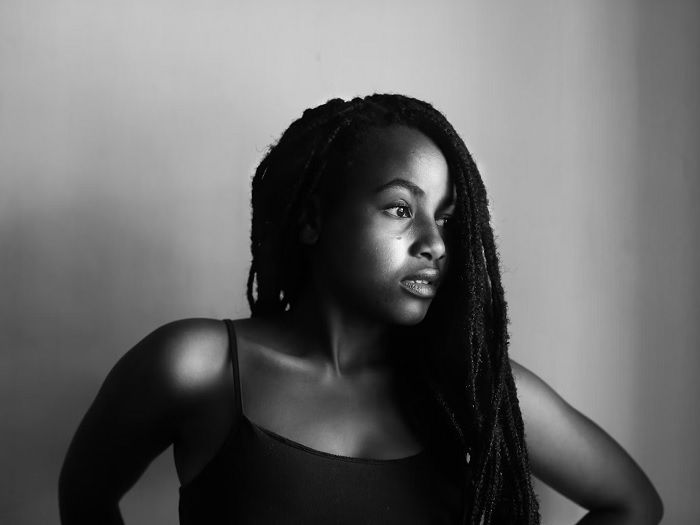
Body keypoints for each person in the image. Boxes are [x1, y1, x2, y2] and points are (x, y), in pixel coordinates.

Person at [58, 94, 663, 524]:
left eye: (446, 218)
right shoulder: (197, 366)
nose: (434, 243)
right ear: (314, 219)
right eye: (400, 209)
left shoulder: (477, 390)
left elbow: (632, 503)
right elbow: (83, 497)